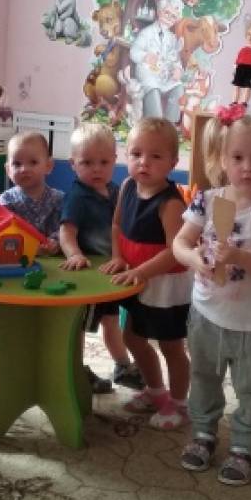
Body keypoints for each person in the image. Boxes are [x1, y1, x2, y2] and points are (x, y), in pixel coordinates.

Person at [172, 106, 251, 483]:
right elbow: (179, 243)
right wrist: (194, 259)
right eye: (238, 158)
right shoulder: (208, 201)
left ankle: (244, 444)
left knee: (250, 387)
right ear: (223, 159)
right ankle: (204, 433)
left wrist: (238, 255)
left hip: (250, 322)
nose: (247, 167)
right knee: (203, 376)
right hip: (205, 313)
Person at [104, 117, 192, 429]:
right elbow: (117, 225)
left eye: (155, 156)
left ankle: (179, 404)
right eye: (136, 154)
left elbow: (175, 251)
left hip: (165, 283)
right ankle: (156, 391)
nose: (144, 162)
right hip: (136, 278)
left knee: (171, 346)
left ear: (173, 162)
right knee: (133, 337)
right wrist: (118, 256)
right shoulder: (127, 186)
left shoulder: (170, 203)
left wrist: (142, 271)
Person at [59, 123, 144, 391]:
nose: (96, 169)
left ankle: (122, 365)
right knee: (79, 326)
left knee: (111, 321)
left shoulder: (116, 191)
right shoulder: (77, 196)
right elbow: (66, 231)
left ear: (114, 161)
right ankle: (75, 369)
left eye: (104, 162)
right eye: (87, 162)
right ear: (73, 164)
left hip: (111, 272)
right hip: (88, 276)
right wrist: (74, 254)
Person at [0, 131, 63, 254]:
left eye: (33, 162)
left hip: (55, 259)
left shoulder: (59, 199)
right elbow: (0, 231)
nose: (24, 169)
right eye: (17, 164)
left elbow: (67, 228)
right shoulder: (5, 201)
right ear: (8, 170)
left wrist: (56, 242)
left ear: (48, 166)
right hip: (16, 257)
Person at [129, 0, 184, 123]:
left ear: (176, 20)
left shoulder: (172, 38)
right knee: (153, 89)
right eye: (167, 13)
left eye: (173, 16)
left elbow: (175, 58)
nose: (169, 18)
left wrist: (178, 69)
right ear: (159, 12)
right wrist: (145, 56)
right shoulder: (146, 33)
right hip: (148, 74)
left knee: (178, 88)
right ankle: (155, 122)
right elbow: (134, 52)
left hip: (164, 76)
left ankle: (170, 124)